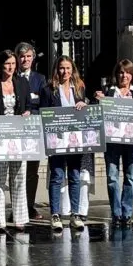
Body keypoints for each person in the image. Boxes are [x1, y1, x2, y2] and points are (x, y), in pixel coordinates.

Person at [0, 49, 33, 232]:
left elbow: (28, 106)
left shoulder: (23, 83)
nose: (10, 67)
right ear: (1, 65)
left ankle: (20, 218)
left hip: (19, 136)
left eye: (13, 63)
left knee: (19, 178)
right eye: (7, 64)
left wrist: (27, 112)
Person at [94, 59, 133, 225]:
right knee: (112, 176)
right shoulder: (108, 92)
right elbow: (96, 114)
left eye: (128, 72)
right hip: (112, 142)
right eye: (121, 72)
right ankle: (116, 213)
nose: (124, 76)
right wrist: (97, 101)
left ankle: (127, 212)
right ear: (116, 75)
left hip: (131, 142)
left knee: (130, 176)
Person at [42, 55, 89, 232]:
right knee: (57, 176)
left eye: (68, 68)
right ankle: (55, 214)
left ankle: (75, 214)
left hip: (75, 140)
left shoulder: (79, 87)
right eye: (62, 68)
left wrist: (84, 104)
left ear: (73, 69)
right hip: (57, 140)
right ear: (57, 70)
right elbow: (44, 114)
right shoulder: (49, 90)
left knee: (75, 176)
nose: (65, 72)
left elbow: (84, 108)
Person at [16, 42, 47, 219]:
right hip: (16, 130)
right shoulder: (10, 76)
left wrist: (31, 111)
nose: (25, 59)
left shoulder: (40, 79)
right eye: (22, 56)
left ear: (33, 58)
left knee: (32, 171)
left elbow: (43, 104)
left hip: (34, 131)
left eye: (28, 56)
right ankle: (17, 207)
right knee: (16, 171)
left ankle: (29, 205)